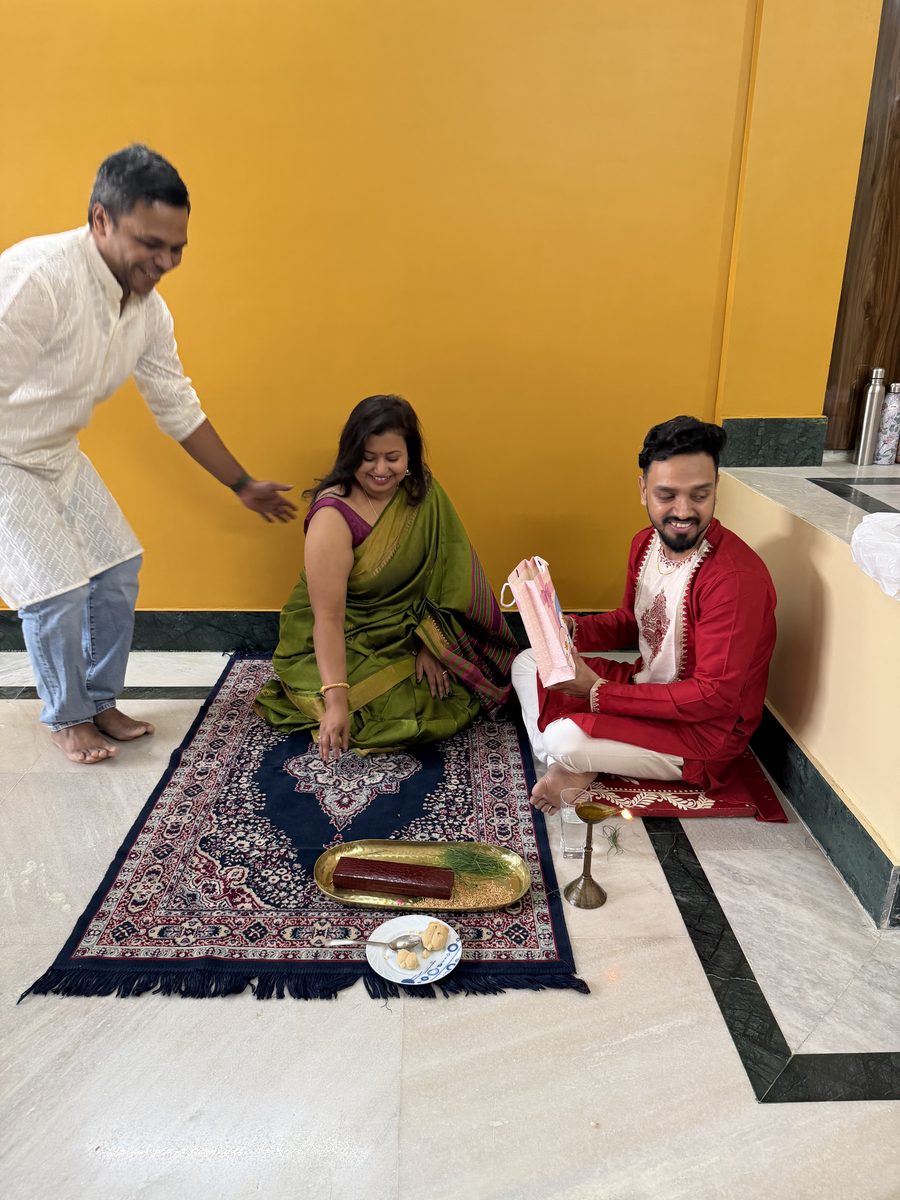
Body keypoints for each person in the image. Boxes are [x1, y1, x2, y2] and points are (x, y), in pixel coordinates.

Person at [0, 144, 296, 765]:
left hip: (57, 452)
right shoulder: (38, 279)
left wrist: (241, 483)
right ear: (101, 220)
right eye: (151, 243)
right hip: (4, 460)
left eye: (177, 248)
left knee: (116, 570)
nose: (165, 261)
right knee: (55, 593)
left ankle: (99, 699)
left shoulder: (146, 310)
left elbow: (176, 405)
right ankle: (68, 717)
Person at [512, 415, 777, 812]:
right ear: (643, 490)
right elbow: (632, 621)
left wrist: (598, 693)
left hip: (702, 734)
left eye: (699, 495)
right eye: (667, 495)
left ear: (716, 489)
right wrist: (571, 629)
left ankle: (570, 761)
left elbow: (714, 698)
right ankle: (570, 765)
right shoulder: (645, 544)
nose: (683, 511)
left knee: (562, 738)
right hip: (647, 685)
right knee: (527, 662)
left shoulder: (734, 579)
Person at [255, 394, 518, 756]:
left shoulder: (422, 493)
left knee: (445, 690)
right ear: (351, 455)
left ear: (410, 456)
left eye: (392, 458)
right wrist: (336, 700)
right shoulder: (332, 517)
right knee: (385, 715)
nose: (381, 469)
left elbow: (445, 581)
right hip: (343, 634)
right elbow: (328, 618)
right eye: (368, 458)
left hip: (408, 629)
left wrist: (431, 644)